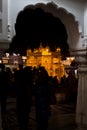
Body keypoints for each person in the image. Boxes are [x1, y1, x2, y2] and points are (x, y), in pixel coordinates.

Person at [14, 66, 33, 130]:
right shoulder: (26, 82)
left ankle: (22, 124)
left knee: (22, 112)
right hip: (24, 99)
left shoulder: (20, 80)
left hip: (21, 98)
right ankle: (24, 124)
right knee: (25, 113)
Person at [0, 63, 10, 130]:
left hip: (1, 89)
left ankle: (2, 111)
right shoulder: (6, 74)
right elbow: (8, 82)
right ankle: (3, 110)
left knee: (2, 100)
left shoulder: (1, 74)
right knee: (4, 101)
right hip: (4, 89)